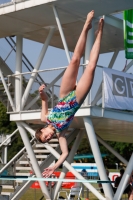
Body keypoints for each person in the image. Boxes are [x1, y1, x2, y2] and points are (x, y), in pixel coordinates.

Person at [35, 10, 104, 178]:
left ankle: (86, 27)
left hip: (65, 94)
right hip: (77, 98)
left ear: (42, 130)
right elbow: (64, 154)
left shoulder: (45, 119)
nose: (49, 136)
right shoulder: (61, 133)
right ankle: (100, 32)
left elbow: (44, 100)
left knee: (74, 60)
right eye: (48, 139)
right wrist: (54, 166)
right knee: (91, 66)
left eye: (45, 136)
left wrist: (41, 92)